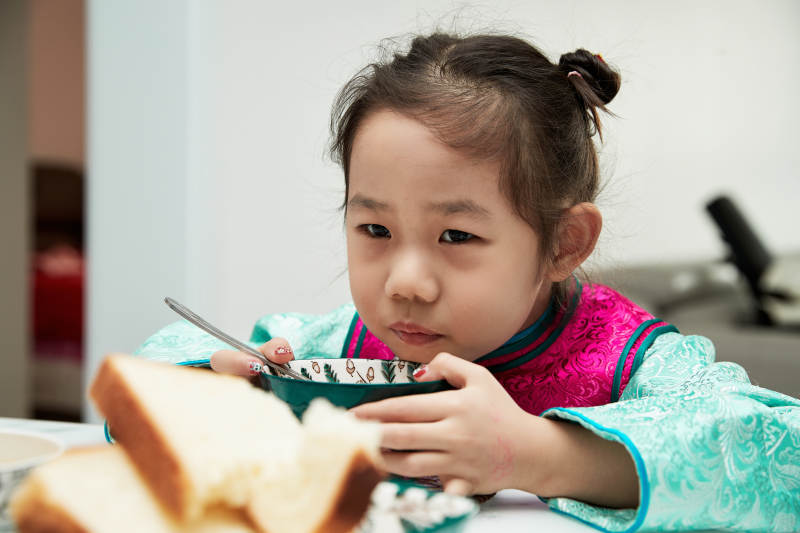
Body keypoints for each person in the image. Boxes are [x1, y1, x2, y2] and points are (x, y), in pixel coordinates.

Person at [135, 32, 800, 532]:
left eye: (456, 236)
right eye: (374, 229)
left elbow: (779, 455)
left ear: (563, 243)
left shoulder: (625, 357)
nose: (406, 283)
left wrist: (537, 454)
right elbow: (148, 376)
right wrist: (223, 397)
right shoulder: (343, 348)